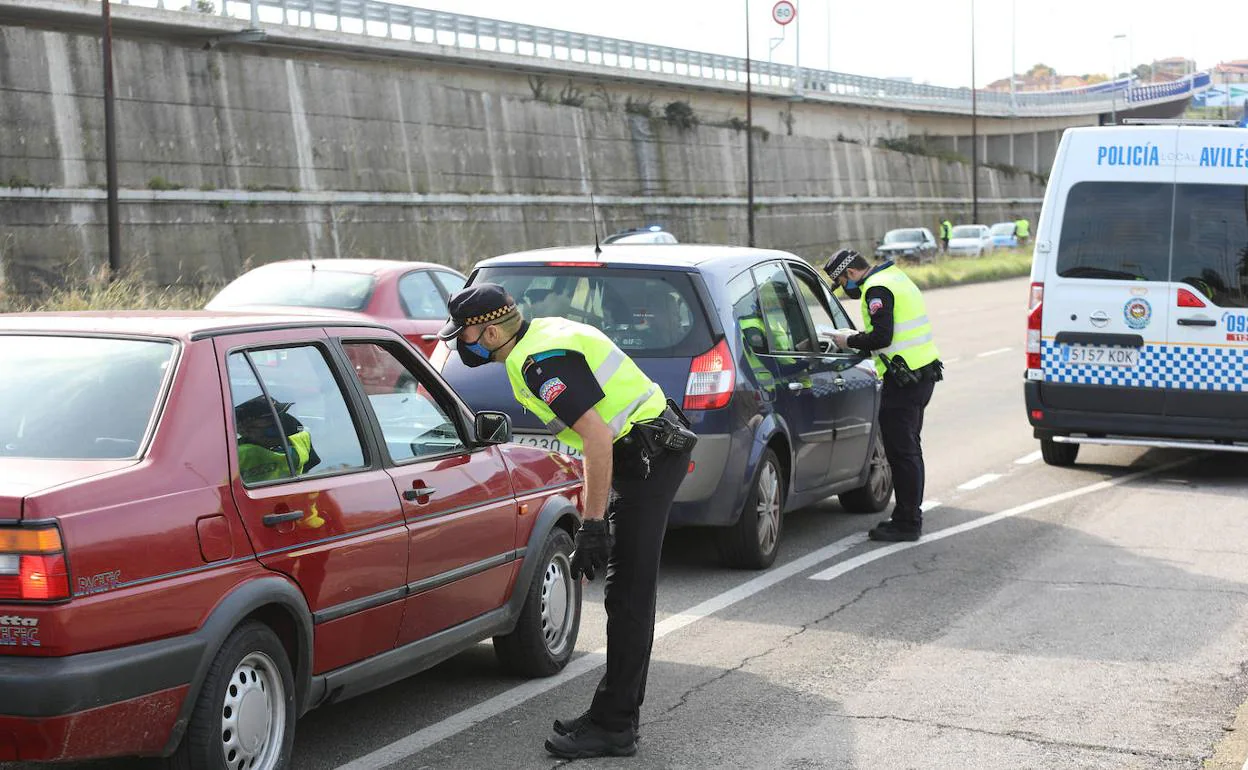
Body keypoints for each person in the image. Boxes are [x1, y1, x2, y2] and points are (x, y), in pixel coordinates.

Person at [436, 283, 696, 759]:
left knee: (629, 595)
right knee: (628, 593)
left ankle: (615, 725)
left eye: (465, 334)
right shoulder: (541, 338)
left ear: (491, 331)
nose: (460, 344)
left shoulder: (538, 364)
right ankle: (615, 714)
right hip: (647, 449)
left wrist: (593, 524)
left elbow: (595, 436)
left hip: (646, 457)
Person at [824, 249, 942, 542]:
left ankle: (908, 521)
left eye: (842, 282)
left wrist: (847, 339)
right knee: (909, 450)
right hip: (921, 374)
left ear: (850, 274)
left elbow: (882, 337)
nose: (846, 289)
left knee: (902, 453)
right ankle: (907, 515)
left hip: (904, 382)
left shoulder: (876, 289)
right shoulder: (895, 277)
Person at [234, 395, 319, 484]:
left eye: (280, 416)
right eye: (268, 419)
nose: (278, 422)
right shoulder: (237, 455)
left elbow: (314, 472)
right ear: (243, 429)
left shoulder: (302, 438)